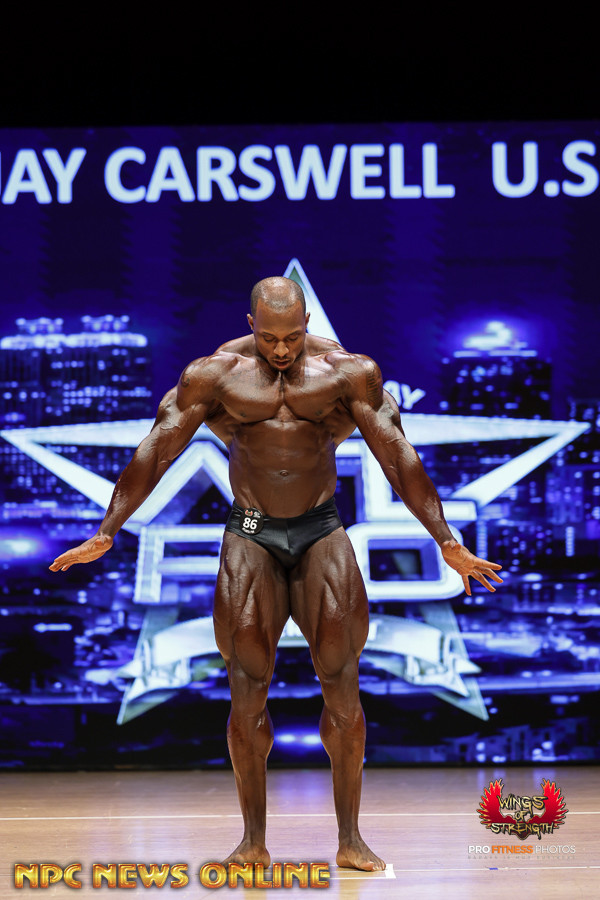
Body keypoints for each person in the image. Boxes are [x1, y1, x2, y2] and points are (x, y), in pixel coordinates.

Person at [50, 276, 503, 871]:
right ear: (251, 324)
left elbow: (397, 454)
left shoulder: (349, 373)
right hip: (251, 535)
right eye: (269, 338)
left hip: (321, 531)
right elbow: (157, 447)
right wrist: (108, 530)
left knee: (343, 688)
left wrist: (446, 540)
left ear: (307, 323)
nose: (282, 350)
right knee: (246, 689)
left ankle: (351, 840)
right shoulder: (214, 376)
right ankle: (252, 842)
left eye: (292, 337)